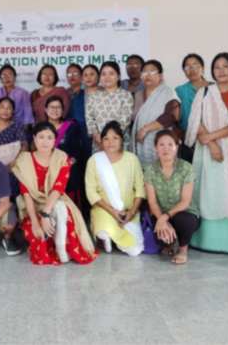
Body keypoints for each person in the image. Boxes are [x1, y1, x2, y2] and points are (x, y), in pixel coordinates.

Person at [12, 122, 98, 265]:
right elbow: (26, 195)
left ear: (55, 140)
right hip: (33, 206)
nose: (45, 141)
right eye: (41, 137)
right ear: (34, 138)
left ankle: (61, 246)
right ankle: (51, 235)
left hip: (55, 201)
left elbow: (58, 189)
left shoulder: (61, 158)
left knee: (61, 207)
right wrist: (35, 223)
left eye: (49, 137)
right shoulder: (25, 160)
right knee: (40, 241)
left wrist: (45, 214)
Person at [185, 53, 228, 255]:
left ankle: (226, 243)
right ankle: (202, 240)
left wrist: (211, 137)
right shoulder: (205, 92)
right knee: (205, 192)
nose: (221, 71)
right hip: (206, 152)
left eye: (226, 66)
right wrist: (211, 144)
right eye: (217, 67)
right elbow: (195, 121)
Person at [86, 121, 145, 256]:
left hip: (128, 212)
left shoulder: (132, 159)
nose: (110, 142)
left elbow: (140, 188)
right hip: (104, 210)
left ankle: (113, 238)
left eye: (115, 138)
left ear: (122, 140)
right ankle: (106, 238)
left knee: (134, 250)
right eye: (106, 138)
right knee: (104, 231)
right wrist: (112, 211)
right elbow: (91, 192)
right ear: (101, 141)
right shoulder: (94, 160)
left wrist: (132, 212)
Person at [144, 130, 200, 265]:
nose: (166, 149)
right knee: (161, 241)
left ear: (177, 146)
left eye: (170, 144)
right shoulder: (150, 170)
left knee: (183, 220)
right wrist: (163, 220)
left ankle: (182, 248)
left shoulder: (186, 168)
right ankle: (168, 243)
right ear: (155, 148)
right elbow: (152, 202)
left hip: (185, 214)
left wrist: (165, 217)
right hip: (161, 214)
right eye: (161, 145)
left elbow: (185, 202)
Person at [131, 60, 181, 169]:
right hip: (140, 143)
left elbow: (170, 116)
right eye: (144, 72)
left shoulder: (168, 92)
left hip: (162, 144)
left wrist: (145, 129)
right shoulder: (138, 95)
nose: (148, 75)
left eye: (152, 72)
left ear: (160, 75)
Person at [66, 64, 101, 213]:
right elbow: (70, 119)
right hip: (83, 141)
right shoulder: (78, 96)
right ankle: (88, 210)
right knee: (87, 173)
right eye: (85, 75)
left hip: (102, 139)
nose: (88, 78)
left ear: (98, 77)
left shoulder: (105, 93)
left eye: (91, 74)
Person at [86, 61, 134, 153]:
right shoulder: (94, 96)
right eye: (103, 74)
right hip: (99, 143)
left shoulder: (126, 95)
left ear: (118, 76)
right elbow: (89, 117)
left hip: (120, 143)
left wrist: (109, 139)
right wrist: (97, 136)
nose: (107, 77)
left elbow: (125, 120)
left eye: (111, 74)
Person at [44, 96, 81, 202]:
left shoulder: (70, 127)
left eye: (58, 107)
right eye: (52, 107)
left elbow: (77, 151)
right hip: (44, 167)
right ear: (45, 109)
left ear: (63, 110)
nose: (55, 110)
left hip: (65, 167)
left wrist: (69, 164)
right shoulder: (40, 128)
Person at [176, 54, 212, 162]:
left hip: (213, 139)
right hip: (189, 142)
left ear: (203, 67)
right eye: (187, 67)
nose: (192, 70)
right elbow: (176, 118)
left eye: (195, 66)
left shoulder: (214, 88)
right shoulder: (179, 90)